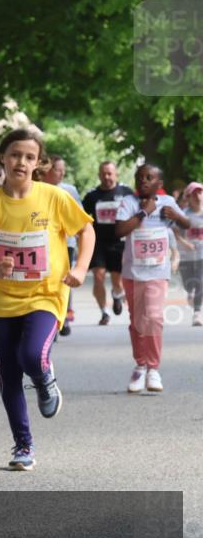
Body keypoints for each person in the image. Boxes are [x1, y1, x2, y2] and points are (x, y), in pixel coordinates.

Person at [0, 129, 94, 471]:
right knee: (8, 374)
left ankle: (44, 378)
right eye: (15, 154)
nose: (22, 162)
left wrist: (79, 267)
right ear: (2, 157)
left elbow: (86, 230)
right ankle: (23, 445)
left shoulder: (54, 197)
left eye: (30, 157)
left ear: (39, 164)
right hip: (5, 301)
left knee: (31, 354)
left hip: (46, 295)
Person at [114, 164, 190, 393]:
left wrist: (176, 215)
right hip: (133, 273)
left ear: (159, 183)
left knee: (154, 317)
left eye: (149, 177)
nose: (143, 181)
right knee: (137, 321)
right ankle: (140, 365)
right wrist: (143, 213)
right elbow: (119, 231)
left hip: (158, 272)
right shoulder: (128, 203)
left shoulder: (167, 203)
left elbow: (187, 225)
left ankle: (153, 368)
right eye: (139, 178)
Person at [82, 161, 136, 326]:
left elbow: (136, 215)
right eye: (103, 174)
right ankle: (104, 312)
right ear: (99, 175)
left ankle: (117, 294)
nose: (107, 177)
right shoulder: (92, 196)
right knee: (98, 276)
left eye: (110, 173)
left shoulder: (126, 193)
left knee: (117, 280)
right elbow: (83, 219)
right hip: (98, 243)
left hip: (119, 242)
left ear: (116, 175)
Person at [43, 155, 83, 335]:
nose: (61, 174)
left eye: (63, 170)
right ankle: (48, 314)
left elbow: (80, 218)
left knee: (64, 278)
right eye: (58, 169)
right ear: (47, 170)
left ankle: (65, 314)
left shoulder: (70, 190)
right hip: (42, 243)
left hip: (66, 242)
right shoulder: (37, 189)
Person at [176, 182, 203, 326]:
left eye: (200, 193)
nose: (198, 196)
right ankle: (190, 292)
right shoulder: (183, 214)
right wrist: (185, 243)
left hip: (201, 256)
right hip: (186, 257)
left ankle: (197, 313)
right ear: (189, 197)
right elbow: (175, 232)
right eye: (194, 194)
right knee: (188, 284)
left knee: (200, 282)